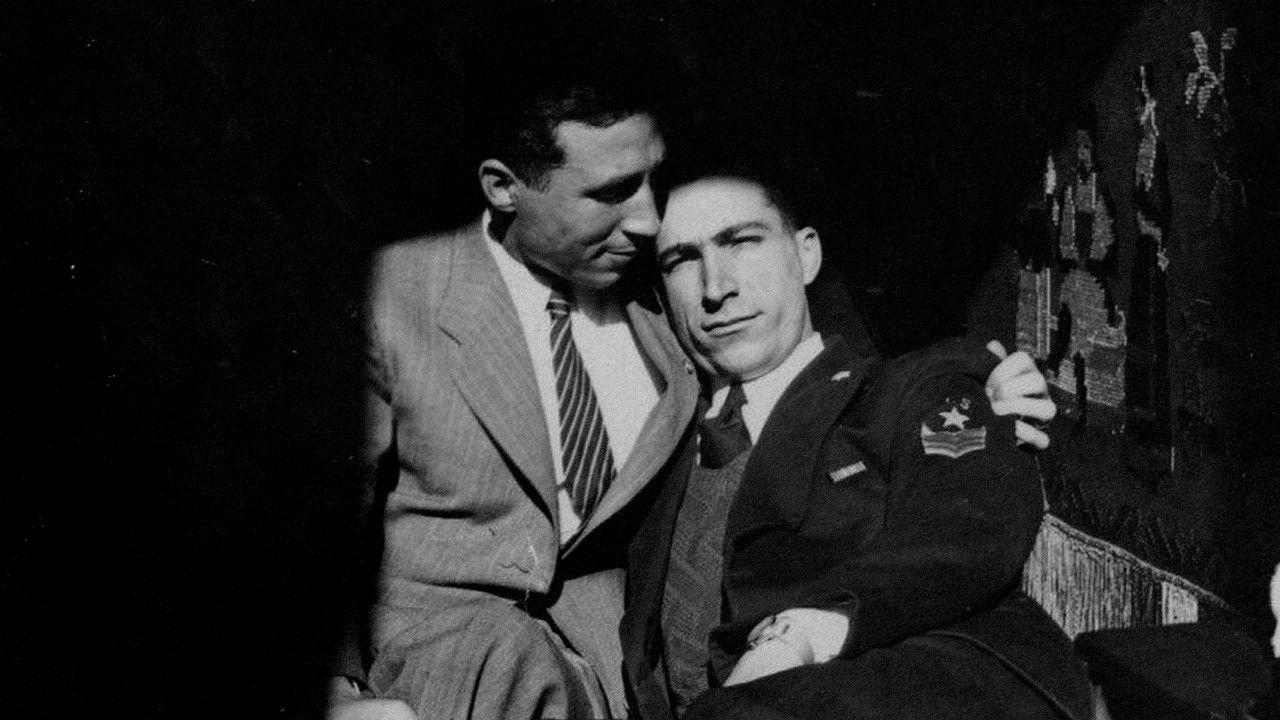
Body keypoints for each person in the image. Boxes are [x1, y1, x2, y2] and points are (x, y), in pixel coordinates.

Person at [619, 170, 1093, 720]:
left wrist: (797, 635)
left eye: (742, 242)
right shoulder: (658, 446)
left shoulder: (915, 388)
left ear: (807, 255)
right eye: (682, 260)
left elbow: (962, 529)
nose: (715, 288)